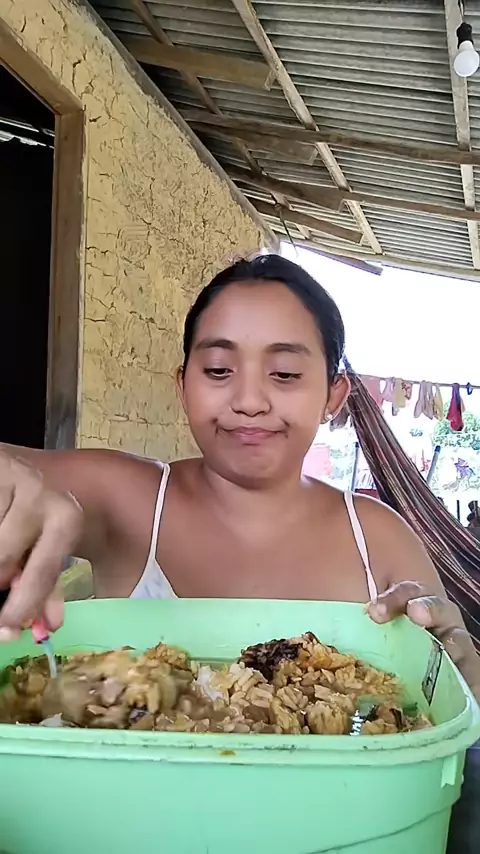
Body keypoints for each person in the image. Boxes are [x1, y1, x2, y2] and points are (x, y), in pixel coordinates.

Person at [0, 254, 478, 702]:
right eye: (218, 370)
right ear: (183, 386)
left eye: (285, 374)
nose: (249, 400)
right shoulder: (127, 498)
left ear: (333, 397)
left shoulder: (380, 540)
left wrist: (462, 678)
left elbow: (445, 694)